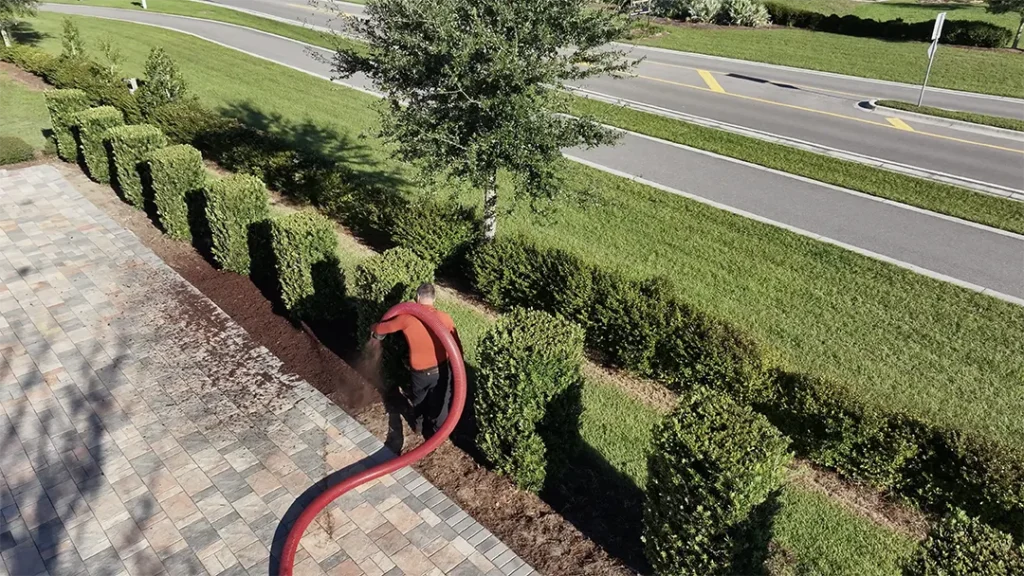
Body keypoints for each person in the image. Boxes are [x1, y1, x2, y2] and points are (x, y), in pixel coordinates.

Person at [369, 283, 462, 438]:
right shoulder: (445, 319)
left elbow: (381, 329)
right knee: (440, 404)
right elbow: (457, 346)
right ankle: (438, 434)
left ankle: (418, 426)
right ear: (434, 299)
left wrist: (373, 328)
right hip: (441, 371)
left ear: (417, 297)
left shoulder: (407, 319)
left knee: (419, 400)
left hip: (419, 373)